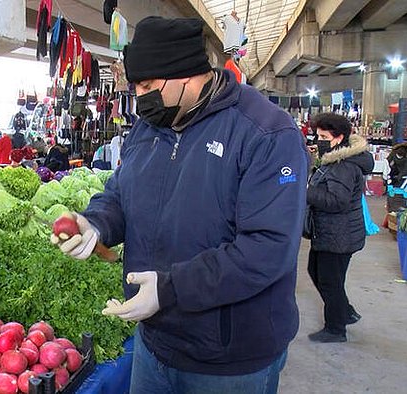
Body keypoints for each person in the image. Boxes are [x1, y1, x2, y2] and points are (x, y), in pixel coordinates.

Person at [50, 17, 308, 393]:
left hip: (228, 361)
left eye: (148, 85)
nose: (140, 97)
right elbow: (122, 192)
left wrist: (171, 289)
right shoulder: (149, 127)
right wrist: (96, 223)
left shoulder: (265, 134)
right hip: (155, 343)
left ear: (187, 75)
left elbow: (267, 249)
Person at [306, 113, 373, 343]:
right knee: (315, 271)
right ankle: (345, 312)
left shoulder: (343, 165)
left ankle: (336, 329)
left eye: (323, 136)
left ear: (339, 137)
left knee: (329, 281)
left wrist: (305, 191)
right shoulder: (332, 159)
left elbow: (337, 201)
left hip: (338, 235)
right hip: (330, 232)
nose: (318, 139)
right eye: (317, 134)